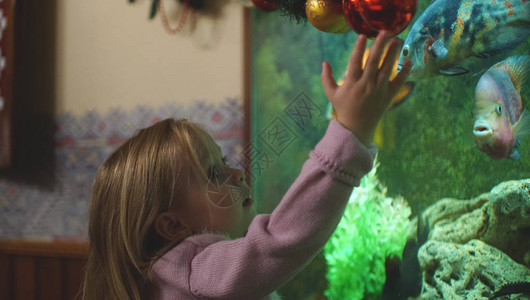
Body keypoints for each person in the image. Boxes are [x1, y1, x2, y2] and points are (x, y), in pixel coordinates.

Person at [80, 30, 412, 300]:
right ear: (171, 226)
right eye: (213, 174)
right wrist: (349, 133)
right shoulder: (195, 271)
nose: (236, 172)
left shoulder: (163, 280)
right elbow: (281, 241)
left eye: (223, 162)